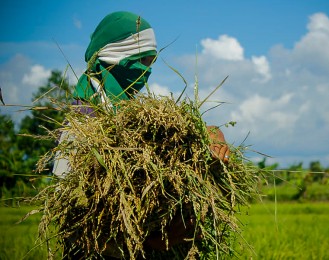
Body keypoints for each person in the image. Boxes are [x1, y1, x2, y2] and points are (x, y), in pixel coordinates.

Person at [54, 11, 230, 259]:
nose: (146, 72)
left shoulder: (134, 117)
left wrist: (210, 133)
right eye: (141, 61)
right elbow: (73, 212)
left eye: (150, 63)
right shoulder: (83, 120)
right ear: (117, 56)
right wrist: (148, 239)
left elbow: (178, 141)